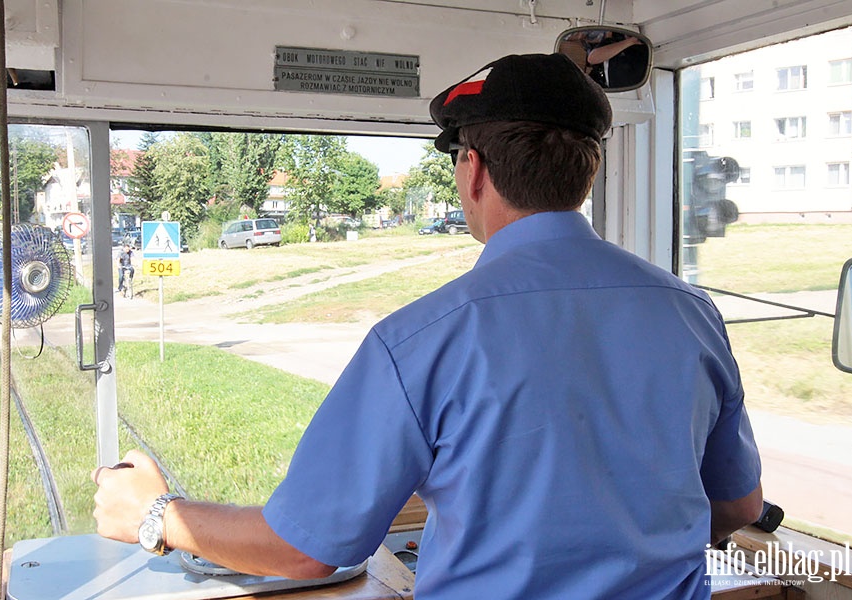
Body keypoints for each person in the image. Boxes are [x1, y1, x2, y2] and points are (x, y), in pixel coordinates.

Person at [93, 53, 762, 598]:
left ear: (473, 171)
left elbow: (305, 550)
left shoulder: (422, 340)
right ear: (585, 174)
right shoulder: (691, 315)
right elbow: (738, 509)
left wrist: (155, 515)